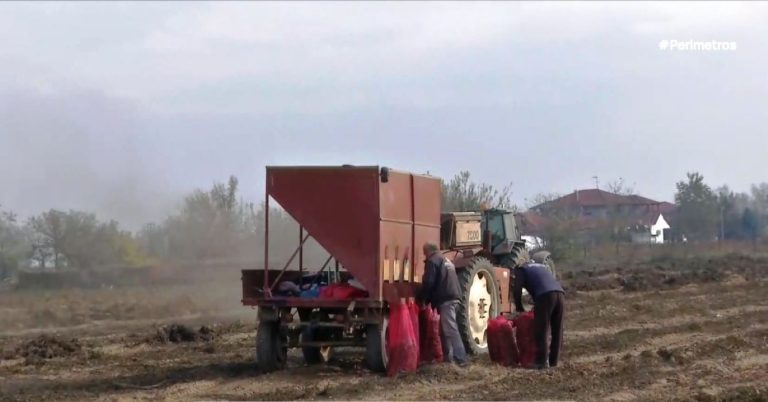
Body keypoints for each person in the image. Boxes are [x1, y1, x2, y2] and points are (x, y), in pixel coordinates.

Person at [415, 242, 468, 366]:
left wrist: (422, 298)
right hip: (455, 297)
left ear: (428, 251)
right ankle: (448, 358)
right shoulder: (446, 260)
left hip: (446, 299)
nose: (424, 256)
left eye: (424, 253)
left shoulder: (433, 261)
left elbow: (429, 282)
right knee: (445, 330)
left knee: (450, 329)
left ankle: (461, 358)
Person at [513, 262, 565, 370]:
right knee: (557, 330)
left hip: (545, 295)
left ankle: (541, 362)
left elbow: (517, 289)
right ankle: (554, 362)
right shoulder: (541, 266)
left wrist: (519, 307)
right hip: (560, 294)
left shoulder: (520, 270)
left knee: (541, 330)